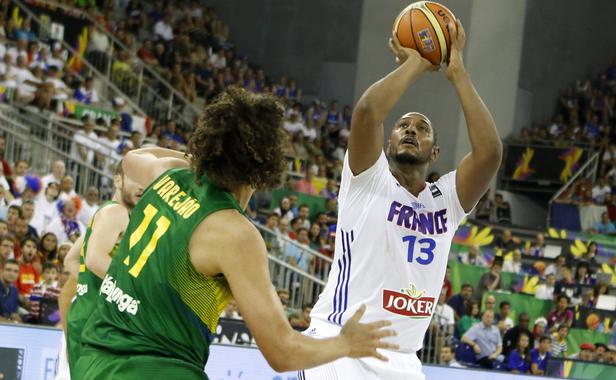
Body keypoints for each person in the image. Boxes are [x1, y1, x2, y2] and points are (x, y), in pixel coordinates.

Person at [73, 88, 396, 379]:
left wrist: (197, 161)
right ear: (265, 166)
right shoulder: (234, 233)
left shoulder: (165, 177)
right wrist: (346, 343)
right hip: (153, 369)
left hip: (92, 357)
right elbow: (282, 352)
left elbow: (132, 159)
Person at [306, 19, 501, 378]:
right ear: (387, 143)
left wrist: (457, 72)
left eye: (422, 129)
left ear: (435, 152)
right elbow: (367, 112)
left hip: (402, 360)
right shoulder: (367, 176)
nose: (410, 129)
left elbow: (489, 153)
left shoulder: (447, 200)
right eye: (402, 126)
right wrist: (418, 61)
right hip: (338, 341)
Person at [62, 163, 142, 376]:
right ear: (117, 180)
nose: (143, 186)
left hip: (84, 314)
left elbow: (70, 259)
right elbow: (95, 261)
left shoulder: (103, 212)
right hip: (98, 324)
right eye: (136, 178)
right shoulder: (117, 212)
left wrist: (92, 286)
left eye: (147, 182)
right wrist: (136, 291)